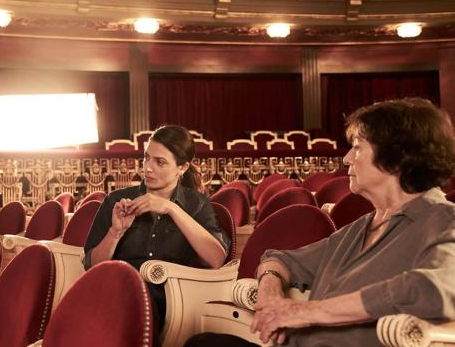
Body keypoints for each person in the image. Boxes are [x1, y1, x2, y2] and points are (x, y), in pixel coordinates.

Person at [185, 98, 455, 347]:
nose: (347, 158)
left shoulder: (443, 219)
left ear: (396, 158)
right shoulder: (362, 226)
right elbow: (279, 259)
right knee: (203, 342)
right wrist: (271, 296)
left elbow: (430, 288)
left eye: (358, 148)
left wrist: (304, 313)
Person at [84, 125, 230, 345]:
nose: (148, 168)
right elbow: (92, 266)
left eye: (159, 162)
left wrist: (172, 209)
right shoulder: (117, 200)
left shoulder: (197, 204)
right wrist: (115, 233)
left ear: (182, 168)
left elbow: (216, 258)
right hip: (119, 294)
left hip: (174, 300)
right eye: (146, 158)